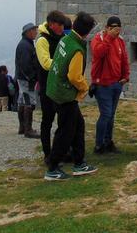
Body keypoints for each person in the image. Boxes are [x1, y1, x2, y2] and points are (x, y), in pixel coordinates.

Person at [44, 12, 98, 181]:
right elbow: (74, 76)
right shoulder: (77, 48)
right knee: (65, 132)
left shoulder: (65, 39)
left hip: (54, 90)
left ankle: (79, 162)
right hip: (65, 95)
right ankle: (52, 168)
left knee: (78, 126)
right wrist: (85, 87)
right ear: (87, 32)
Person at [90, 15, 130, 154]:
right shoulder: (98, 39)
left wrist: (126, 76)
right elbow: (98, 53)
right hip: (102, 84)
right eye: (113, 28)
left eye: (118, 28)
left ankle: (108, 142)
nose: (116, 31)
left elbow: (124, 58)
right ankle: (99, 145)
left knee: (111, 115)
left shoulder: (120, 41)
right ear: (107, 28)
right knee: (106, 114)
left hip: (116, 83)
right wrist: (108, 38)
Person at [34, 11, 68, 160]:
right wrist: (64, 66)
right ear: (52, 24)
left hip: (60, 85)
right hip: (47, 86)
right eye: (60, 25)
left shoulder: (62, 37)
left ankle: (60, 151)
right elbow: (45, 63)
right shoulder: (42, 40)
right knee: (47, 121)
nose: (62, 28)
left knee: (64, 120)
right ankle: (48, 154)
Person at [14, 23, 40, 138]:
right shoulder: (25, 46)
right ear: (28, 32)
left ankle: (22, 127)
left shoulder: (25, 44)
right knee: (29, 102)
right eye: (34, 30)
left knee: (22, 101)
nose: (36, 32)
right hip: (26, 79)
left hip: (22, 77)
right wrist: (32, 77)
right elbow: (25, 64)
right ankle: (28, 129)